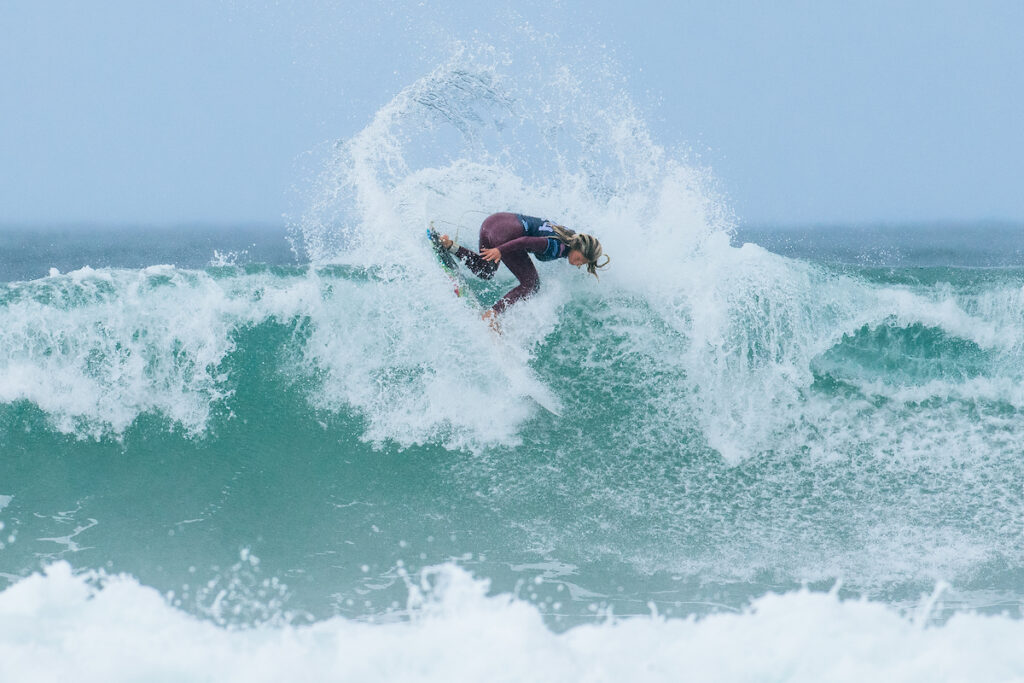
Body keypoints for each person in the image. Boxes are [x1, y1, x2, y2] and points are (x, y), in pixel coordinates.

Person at [437, 212, 609, 322]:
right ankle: (493, 315)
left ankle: (449, 245)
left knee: (485, 270)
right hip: (504, 235)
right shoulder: (559, 247)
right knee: (531, 284)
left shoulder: (567, 235)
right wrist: (499, 250)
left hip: (491, 223)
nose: (578, 264)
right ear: (578, 248)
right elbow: (526, 241)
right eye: (580, 259)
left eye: (583, 264)